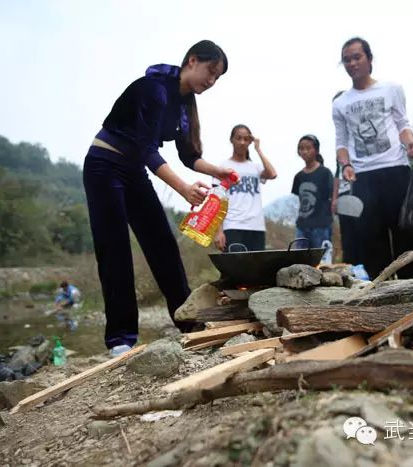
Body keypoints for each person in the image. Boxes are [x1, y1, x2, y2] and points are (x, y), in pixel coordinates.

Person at [83, 40, 235, 356]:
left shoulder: (184, 106)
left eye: (218, 78)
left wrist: (217, 171)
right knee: (115, 250)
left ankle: (188, 322)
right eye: (211, 71)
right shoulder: (154, 89)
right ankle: (121, 339)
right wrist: (183, 189)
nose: (212, 81)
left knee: (162, 244)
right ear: (192, 60)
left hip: (133, 170)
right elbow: (146, 148)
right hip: (104, 164)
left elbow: (189, 156)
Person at [332, 37, 413, 279]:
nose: (352, 63)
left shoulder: (391, 89)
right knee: (371, 238)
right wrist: (347, 165)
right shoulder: (341, 103)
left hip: (396, 169)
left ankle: (412, 287)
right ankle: (381, 290)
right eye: (347, 60)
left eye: (357, 57)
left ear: (369, 59)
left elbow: (403, 125)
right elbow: (341, 143)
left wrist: (411, 143)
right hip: (363, 176)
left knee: (406, 233)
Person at [213, 124, 277, 252]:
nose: (242, 142)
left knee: (256, 269)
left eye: (246, 139)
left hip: (256, 227)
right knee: (234, 269)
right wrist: (219, 232)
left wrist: (258, 149)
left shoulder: (255, 167)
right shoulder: (223, 167)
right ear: (232, 140)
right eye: (238, 138)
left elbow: (272, 174)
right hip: (232, 226)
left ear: (250, 141)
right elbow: (216, 201)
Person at [331, 90, 361, 265]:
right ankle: (352, 269)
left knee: (364, 231)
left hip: (361, 190)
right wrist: (334, 198)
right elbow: (337, 173)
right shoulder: (340, 141)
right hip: (344, 195)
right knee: (348, 235)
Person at [292, 134, 334, 249]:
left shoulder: (325, 173)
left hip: (321, 225)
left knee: (321, 261)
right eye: (301, 148)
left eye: (308, 148)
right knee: (300, 262)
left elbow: (331, 197)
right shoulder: (298, 176)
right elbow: (298, 199)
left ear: (316, 150)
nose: (304, 151)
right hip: (302, 225)